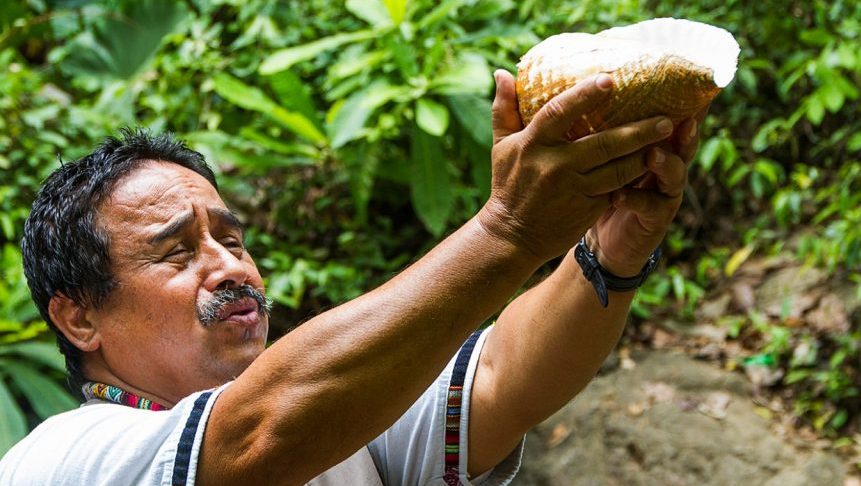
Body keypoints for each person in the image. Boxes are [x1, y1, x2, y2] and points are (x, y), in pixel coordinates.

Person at [0, 69, 703, 485]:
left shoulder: (344, 425)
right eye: (177, 252)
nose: (229, 265)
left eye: (232, 237)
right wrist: (507, 231)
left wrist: (610, 253)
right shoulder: (61, 460)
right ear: (79, 317)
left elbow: (500, 382)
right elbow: (260, 437)